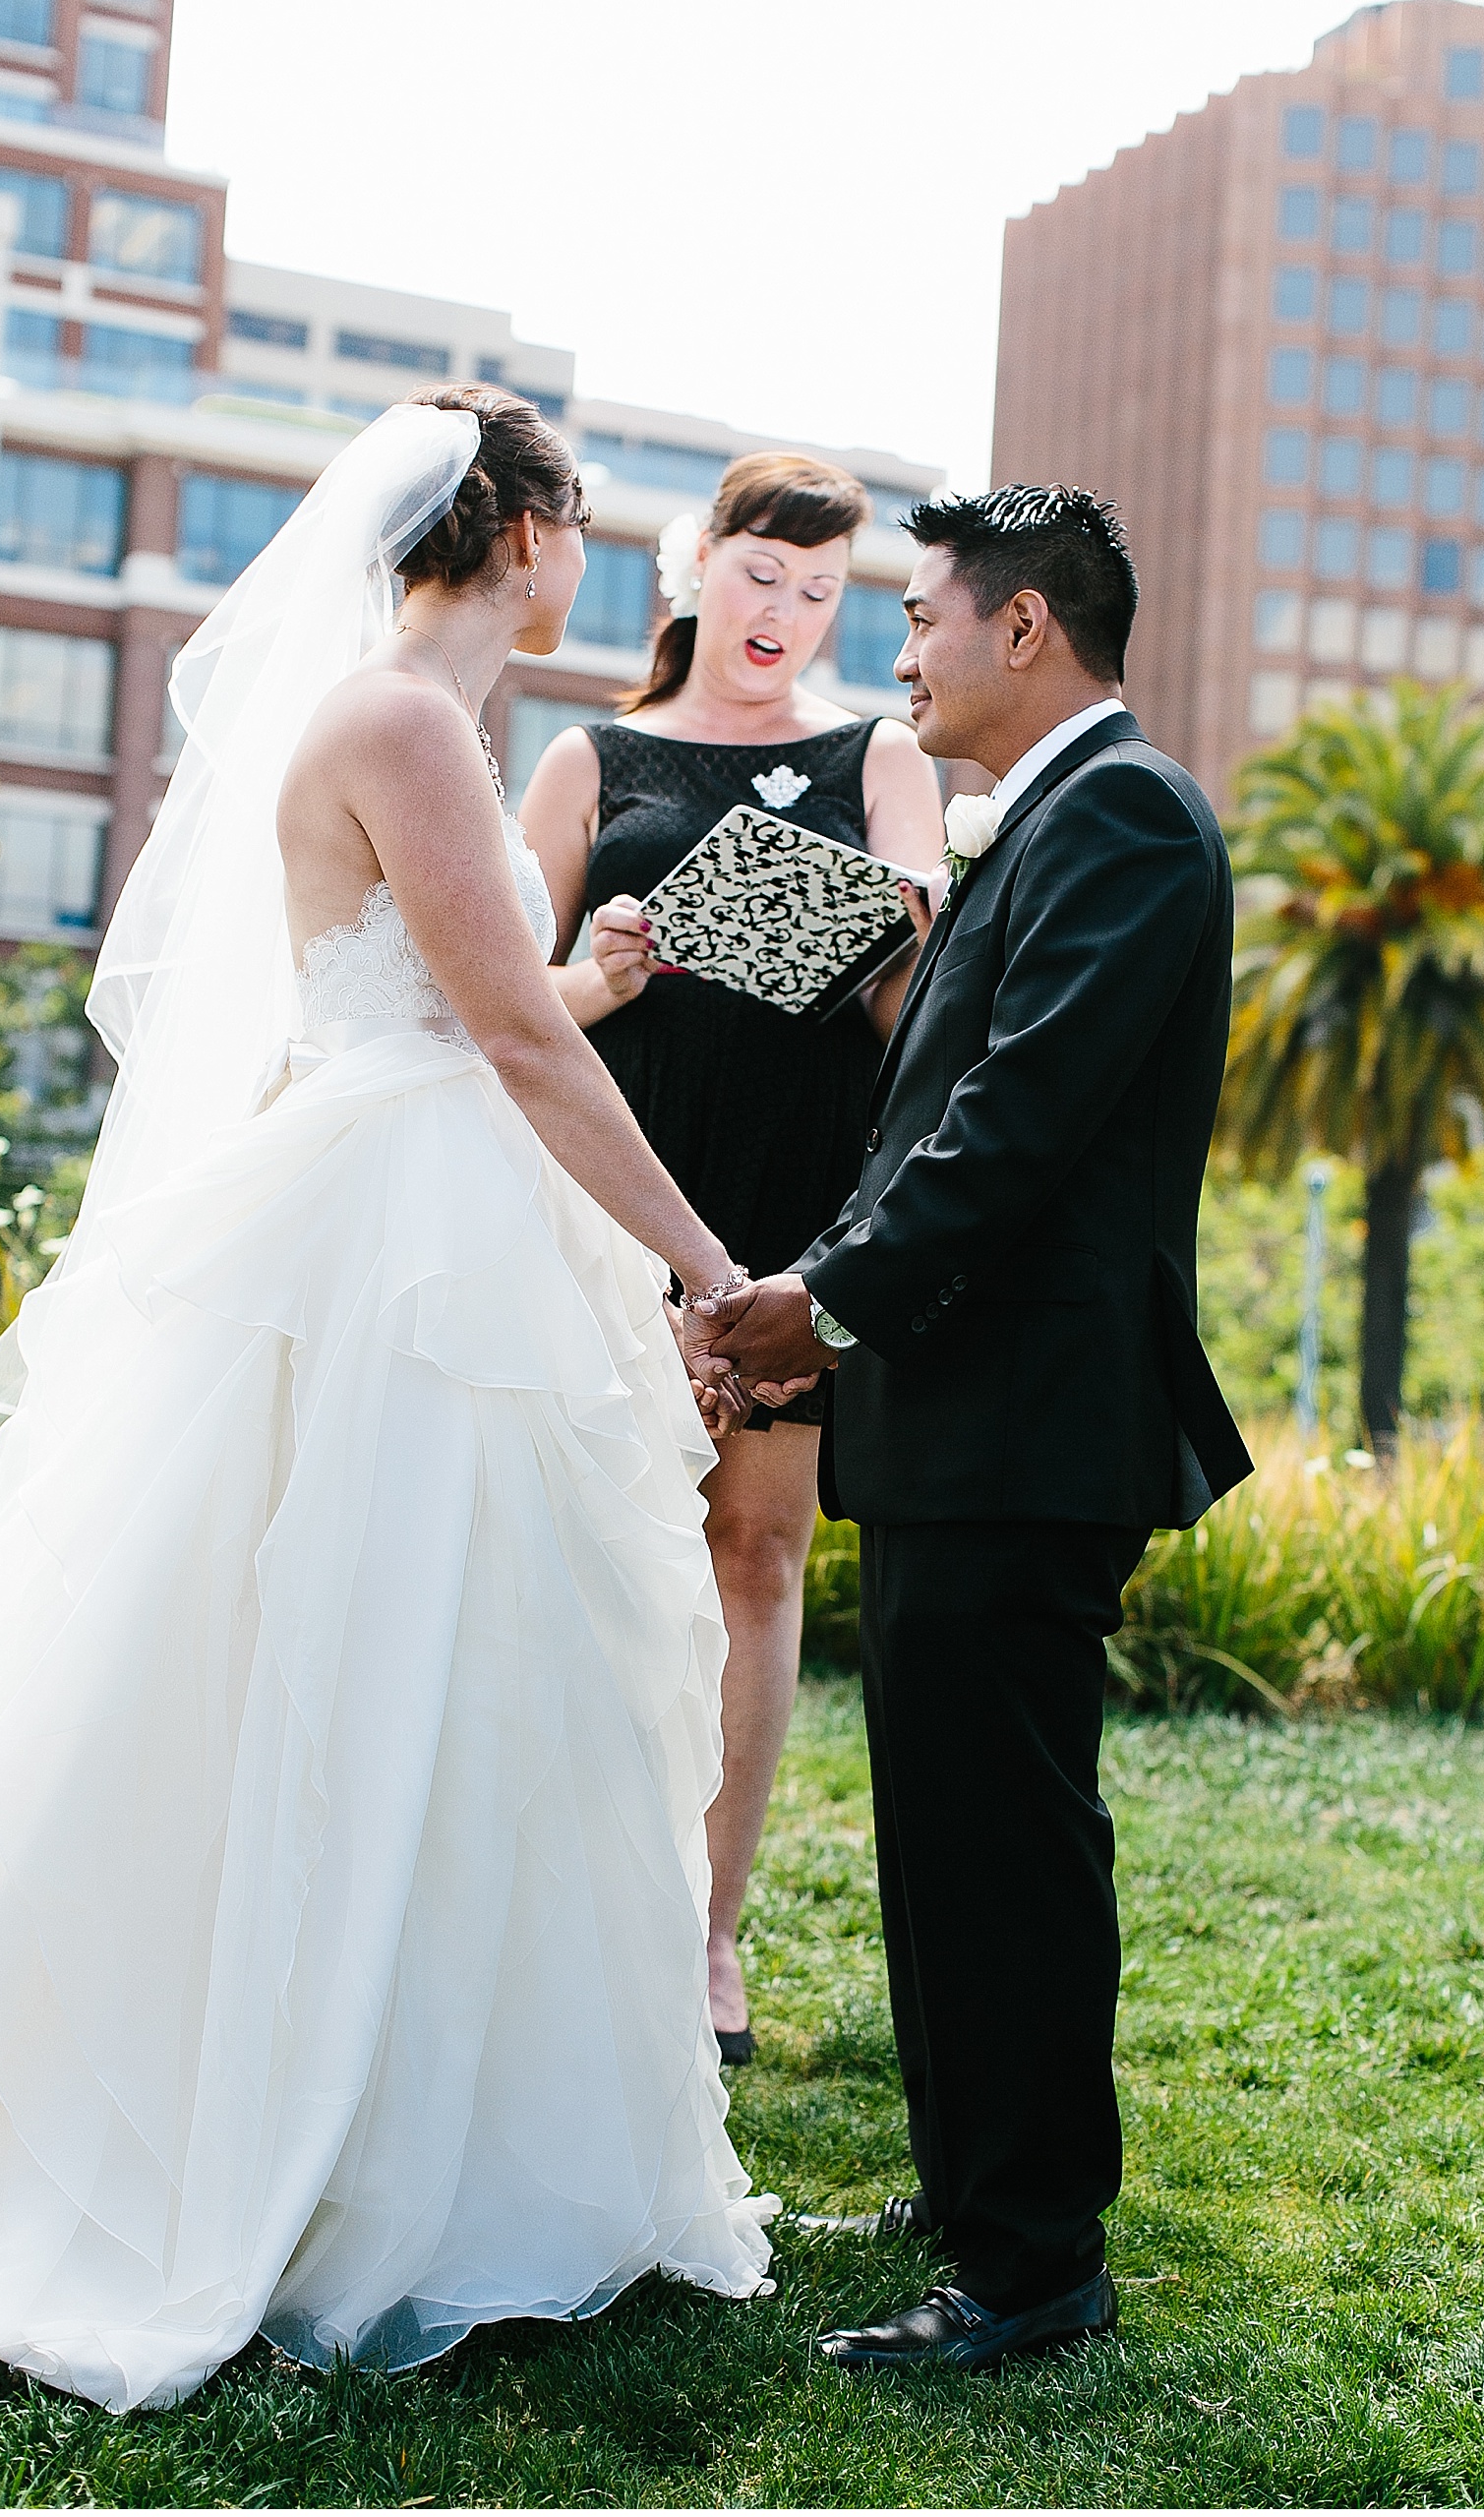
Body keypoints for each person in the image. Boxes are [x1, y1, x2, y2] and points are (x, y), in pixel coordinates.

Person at [0, 391, 777, 2449]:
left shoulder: (393, 722)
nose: (592, 552)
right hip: (397, 1244)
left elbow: (453, 999)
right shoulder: (404, 723)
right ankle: (342, 2146)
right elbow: (497, 1033)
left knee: (460, 1664)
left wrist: (585, 990)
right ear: (511, 528)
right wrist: (713, 1268)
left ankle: (450, 2126)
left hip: (411, 1198)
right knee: (380, 1656)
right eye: (577, 519)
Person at [690, 484, 1251, 2374]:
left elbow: (1012, 1126)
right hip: (959, 1418)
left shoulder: (1132, 821)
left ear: (1026, 631)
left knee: (1003, 1844)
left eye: (922, 617)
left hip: (1033, 1426)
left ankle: (1029, 2265)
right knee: (942, 1836)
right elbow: (936, 1109)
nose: (901, 652)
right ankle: (968, 2190)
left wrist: (819, 1302)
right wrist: (830, 1312)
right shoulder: (1050, 828)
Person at [515, 454, 945, 2068]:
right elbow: (496, 1004)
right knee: (579, 1560)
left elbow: (926, 993)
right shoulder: (586, 758)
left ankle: (706, 1935)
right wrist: (600, 971)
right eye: (767, 574)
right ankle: (562, 1913)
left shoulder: (879, 751)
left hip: (798, 1215)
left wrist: (883, 932)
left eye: (826, 591)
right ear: (697, 570)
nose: (789, 613)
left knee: (752, 1563)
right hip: (606, 1210)